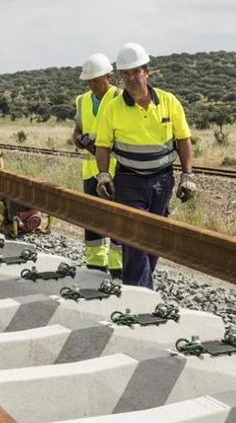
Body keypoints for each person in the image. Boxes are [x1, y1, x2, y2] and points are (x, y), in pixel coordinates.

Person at [94, 43, 197, 289]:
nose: (131, 78)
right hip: (129, 181)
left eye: (136, 72)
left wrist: (188, 175)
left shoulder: (169, 102)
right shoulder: (113, 108)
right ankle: (140, 295)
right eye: (126, 74)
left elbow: (183, 140)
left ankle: (142, 285)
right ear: (121, 77)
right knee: (135, 236)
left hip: (162, 180)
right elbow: (103, 145)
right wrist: (104, 175)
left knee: (156, 236)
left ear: (147, 72)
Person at [71, 53, 123, 278]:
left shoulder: (120, 98)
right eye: (88, 81)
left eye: (95, 80)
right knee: (92, 220)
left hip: (115, 170)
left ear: (108, 76)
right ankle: (95, 267)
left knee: (116, 219)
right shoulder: (82, 100)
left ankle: (118, 268)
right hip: (90, 171)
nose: (91, 85)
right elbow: (76, 131)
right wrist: (80, 140)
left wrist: (102, 146)